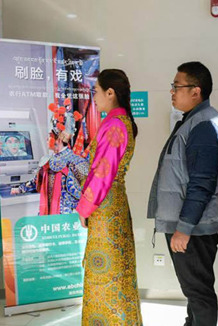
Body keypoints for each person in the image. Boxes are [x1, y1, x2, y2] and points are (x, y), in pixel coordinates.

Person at [148, 61, 218, 325]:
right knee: (194, 291)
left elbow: (202, 183)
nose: (172, 91)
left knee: (199, 292)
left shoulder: (205, 126)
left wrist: (183, 228)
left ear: (196, 91)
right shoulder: (196, 121)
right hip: (190, 224)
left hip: (192, 227)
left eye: (177, 86)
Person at [76, 69, 142, 325]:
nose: (94, 97)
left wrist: (84, 209)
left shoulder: (115, 125)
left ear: (110, 93)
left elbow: (103, 173)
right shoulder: (123, 122)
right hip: (114, 204)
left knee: (105, 275)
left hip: (105, 207)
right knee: (118, 272)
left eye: (96, 91)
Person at [11, 131, 89, 215]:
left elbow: (88, 185)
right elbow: (36, 180)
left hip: (67, 211)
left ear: (59, 140)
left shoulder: (75, 160)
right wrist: (20, 189)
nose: (47, 139)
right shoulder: (48, 160)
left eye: (50, 137)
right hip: (49, 208)